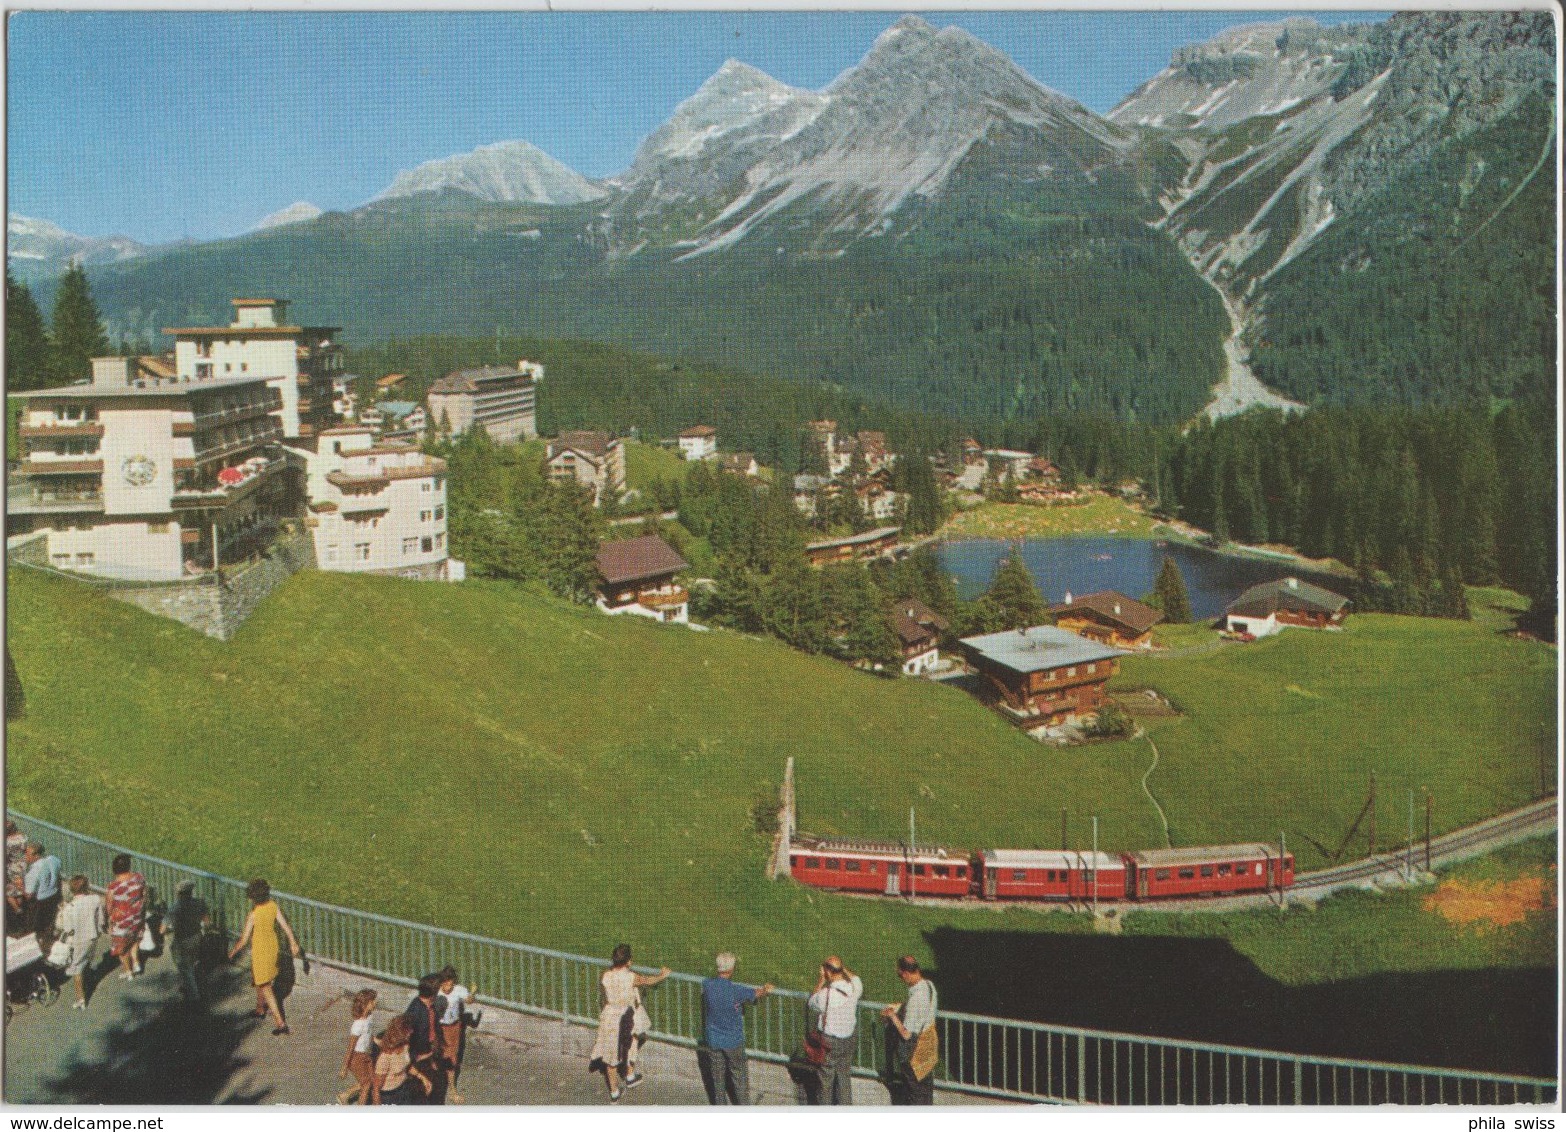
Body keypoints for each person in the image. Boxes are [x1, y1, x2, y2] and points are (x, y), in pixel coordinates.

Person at [588, 943, 670, 1102]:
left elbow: (604, 996)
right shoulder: (630, 977)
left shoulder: (605, 975)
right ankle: (629, 1074)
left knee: (611, 1054)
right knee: (631, 1041)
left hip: (610, 1016)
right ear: (628, 962)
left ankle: (614, 1091)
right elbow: (648, 980)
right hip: (625, 1016)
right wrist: (663, 975)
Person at [227, 878, 301, 1035]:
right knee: (260, 979)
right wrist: (293, 943)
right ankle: (260, 1009)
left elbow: (243, 940)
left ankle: (280, 1023)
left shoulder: (253, 915)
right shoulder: (273, 906)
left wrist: (232, 953)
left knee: (265, 986)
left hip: (261, 952)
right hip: (272, 949)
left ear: (252, 898)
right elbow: (285, 926)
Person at [698, 951, 773, 1105]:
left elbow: (707, 984)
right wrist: (765, 989)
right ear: (731, 970)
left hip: (714, 1040)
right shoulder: (736, 990)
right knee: (739, 1079)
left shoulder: (708, 985)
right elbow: (756, 993)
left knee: (717, 1079)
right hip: (733, 1041)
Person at [881, 955, 939, 1104]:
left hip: (913, 1051)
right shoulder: (929, 985)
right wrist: (900, 1006)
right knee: (926, 1090)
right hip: (927, 1045)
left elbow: (906, 1034)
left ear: (906, 973)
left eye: (900, 975)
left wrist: (892, 1015)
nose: (902, 979)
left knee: (914, 1092)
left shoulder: (916, 998)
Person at [807, 955, 862, 1105]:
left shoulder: (826, 994)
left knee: (825, 1082)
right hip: (848, 1039)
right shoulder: (853, 988)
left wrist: (821, 980)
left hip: (829, 1042)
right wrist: (841, 968)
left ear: (828, 972)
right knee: (844, 1078)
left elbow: (811, 1002)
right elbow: (856, 979)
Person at [55, 875, 105, 1009]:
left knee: (76, 969)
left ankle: (80, 999)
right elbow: (100, 920)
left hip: (77, 940)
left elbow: (66, 928)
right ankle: (89, 978)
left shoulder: (69, 908)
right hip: (92, 937)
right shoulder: (95, 899)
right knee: (87, 959)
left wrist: (61, 913)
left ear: (71, 890)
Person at [164, 880, 210, 1004]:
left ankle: (194, 996)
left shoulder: (174, 908)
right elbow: (207, 922)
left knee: (184, 967)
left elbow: (162, 929)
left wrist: (169, 929)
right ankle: (191, 985)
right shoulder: (200, 903)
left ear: (179, 893)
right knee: (193, 962)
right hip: (196, 937)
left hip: (181, 941)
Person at [404, 974, 448, 1104]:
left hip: (428, 1055)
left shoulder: (430, 1006)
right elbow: (406, 1040)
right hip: (418, 1059)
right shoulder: (415, 1012)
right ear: (433, 993)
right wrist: (415, 1059)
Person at [372, 1015, 432, 1105]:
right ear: (400, 1033)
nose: (411, 1032)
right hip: (389, 1096)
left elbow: (406, 1066)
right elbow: (376, 1089)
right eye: (409, 1030)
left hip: (403, 1089)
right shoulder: (385, 1058)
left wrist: (422, 1077)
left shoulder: (405, 1045)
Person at [437, 966, 475, 1104]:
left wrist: (471, 997)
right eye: (445, 983)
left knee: (452, 1059)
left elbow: (469, 1000)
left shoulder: (459, 990)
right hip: (439, 1028)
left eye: (450, 983)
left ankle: (452, 1090)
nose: (448, 986)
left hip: (453, 1027)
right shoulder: (435, 991)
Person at [105, 854, 147, 981]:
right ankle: (136, 962)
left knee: (121, 949)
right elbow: (145, 895)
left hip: (121, 922)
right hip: (137, 917)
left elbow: (109, 906)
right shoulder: (139, 878)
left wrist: (110, 921)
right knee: (134, 939)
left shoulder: (114, 887)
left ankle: (128, 971)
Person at [337, 988, 379, 1105]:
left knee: (373, 1080)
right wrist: (344, 1067)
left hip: (367, 1055)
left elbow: (369, 1035)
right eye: (373, 1001)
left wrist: (378, 1042)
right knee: (366, 1085)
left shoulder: (369, 1017)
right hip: (357, 1058)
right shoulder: (358, 1025)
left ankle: (344, 1095)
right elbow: (351, 1047)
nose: (375, 1003)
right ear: (366, 1004)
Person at [22, 841, 62, 947]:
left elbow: (29, 895)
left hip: (40, 902)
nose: (25, 856)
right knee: (49, 923)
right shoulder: (53, 859)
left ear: (36, 855)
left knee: (34, 926)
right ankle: (47, 940)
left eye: (27, 854)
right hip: (54, 895)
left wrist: (20, 885)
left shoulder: (35, 870)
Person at [5, 821, 27, 934]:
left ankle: (17, 910)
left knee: (8, 891)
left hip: (13, 867)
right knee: (19, 889)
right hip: (23, 866)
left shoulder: (7, 842)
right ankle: (21, 906)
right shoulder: (23, 837)